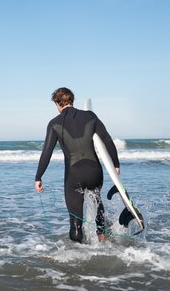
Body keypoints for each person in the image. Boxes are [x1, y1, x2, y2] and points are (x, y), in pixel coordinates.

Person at [35, 87, 120, 243]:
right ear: (72, 100)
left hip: (74, 175)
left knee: (75, 221)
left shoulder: (54, 123)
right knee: (97, 200)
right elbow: (107, 140)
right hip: (95, 171)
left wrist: (38, 176)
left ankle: (78, 256)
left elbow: (46, 152)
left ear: (57, 102)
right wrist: (115, 164)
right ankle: (102, 239)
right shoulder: (90, 116)